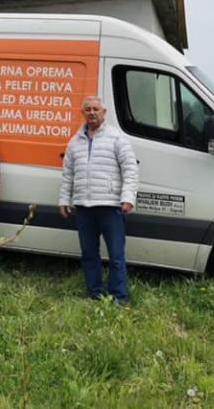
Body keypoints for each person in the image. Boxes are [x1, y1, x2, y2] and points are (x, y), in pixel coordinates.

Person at [59, 95, 139, 303]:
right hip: (83, 208)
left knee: (116, 256)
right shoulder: (74, 142)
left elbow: (130, 169)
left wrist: (128, 198)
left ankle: (118, 297)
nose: (92, 113)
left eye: (96, 109)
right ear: (82, 113)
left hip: (110, 206)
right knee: (89, 254)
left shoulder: (116, 138)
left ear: (104, 112)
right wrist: (64, 200)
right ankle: (95, 294)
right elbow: (68, 175)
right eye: (88, 109)